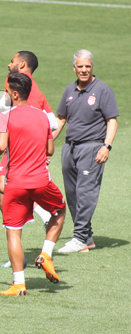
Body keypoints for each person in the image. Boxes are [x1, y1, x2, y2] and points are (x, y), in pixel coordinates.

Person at [0, 73, 66, 296]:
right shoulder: (42, 117)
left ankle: (19, 284)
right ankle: (46, 254)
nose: (6, 94)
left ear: (15, 94)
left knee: (13, 233)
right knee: (60, 210)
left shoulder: (5, 117)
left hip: (15, 184)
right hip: (40, 181)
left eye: (7, 91)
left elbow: (1, 146)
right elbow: (50, 150)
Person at [0, 51, 58, 267]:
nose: (8, 64)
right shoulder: (34, 89)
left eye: (12, 61)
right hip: (23, 150)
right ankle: (21, 254)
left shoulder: (17, 82)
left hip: (18, 151)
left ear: (22, 64)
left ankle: (18, 263)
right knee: (3, 196)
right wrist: (44, 148)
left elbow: (2, 110)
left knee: (8, 195)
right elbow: (53, 123)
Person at [53, 50, 118, 253]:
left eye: (87, 66)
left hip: (91, 148)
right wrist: (45, 142)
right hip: (69, 147)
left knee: (85, 192)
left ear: (92, 67)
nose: (84, 70)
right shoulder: (69, 90)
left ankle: (80, 238)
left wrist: (106, 146)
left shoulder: (103, 90)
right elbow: (61, 119)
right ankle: (86, 237)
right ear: (74, 68)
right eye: (80, 66)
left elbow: (112, 121)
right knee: (72, 193)